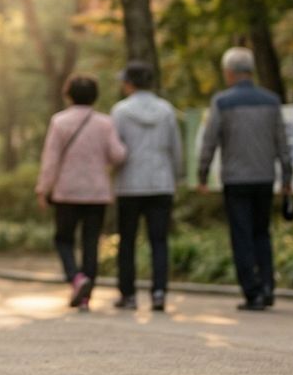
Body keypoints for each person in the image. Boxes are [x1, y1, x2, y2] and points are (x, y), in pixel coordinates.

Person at [197, 47, 293, 311]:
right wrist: (287, 176)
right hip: (265, 176)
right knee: (262, 232)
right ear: (250, 71)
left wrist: (202, 174)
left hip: (236, 179)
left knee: (241, 235)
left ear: (229, 73)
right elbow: (283, 143)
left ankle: (252, 293)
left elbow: (210, 141)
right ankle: (267, 286)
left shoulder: (222, 102)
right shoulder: (272, 101)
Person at [35, 75, 127, 311]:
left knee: (63, 239)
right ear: (95, 96)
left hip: (67, 192)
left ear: (69, 95)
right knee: (90, 243)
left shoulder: (59, 122)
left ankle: (77, 279)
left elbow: (50, 160)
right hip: (97, 193)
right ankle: (86, 297)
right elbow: (118, 155)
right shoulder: (105, 123)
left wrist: (43, 189)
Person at [111, 61, 183, 312]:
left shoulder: (120, 111)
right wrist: (177, 176)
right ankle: (159, 293)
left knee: (127, 241)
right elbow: (176, 148)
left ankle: (128, 295)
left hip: (129, 184)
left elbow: (114, 149)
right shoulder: (166, 110)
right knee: (159, 241)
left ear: (130, 83)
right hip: (161, 183)